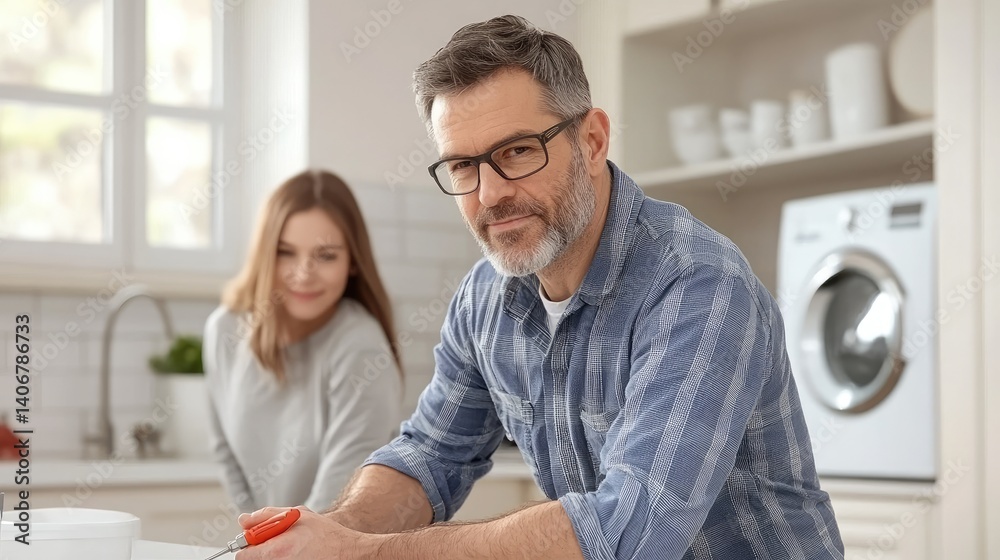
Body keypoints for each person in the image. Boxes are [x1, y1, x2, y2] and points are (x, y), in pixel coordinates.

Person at [235, 15, 845, 560]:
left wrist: (356, 556)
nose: (489, 193)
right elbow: (428, 457)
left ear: (593, 140)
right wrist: (335, 532)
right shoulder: (485, 300)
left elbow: (631, 534)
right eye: (462, 166)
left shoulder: (698, 285)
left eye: (518, 151)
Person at [202, 169, 402, 514]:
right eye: (285, 252)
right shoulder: (225, 330)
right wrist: (256, 538)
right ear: (265, 254)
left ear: (352, 262)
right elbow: (225, 454)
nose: (303, 272)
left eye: (326, 255)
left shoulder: (360, 345)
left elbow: (336, 503)